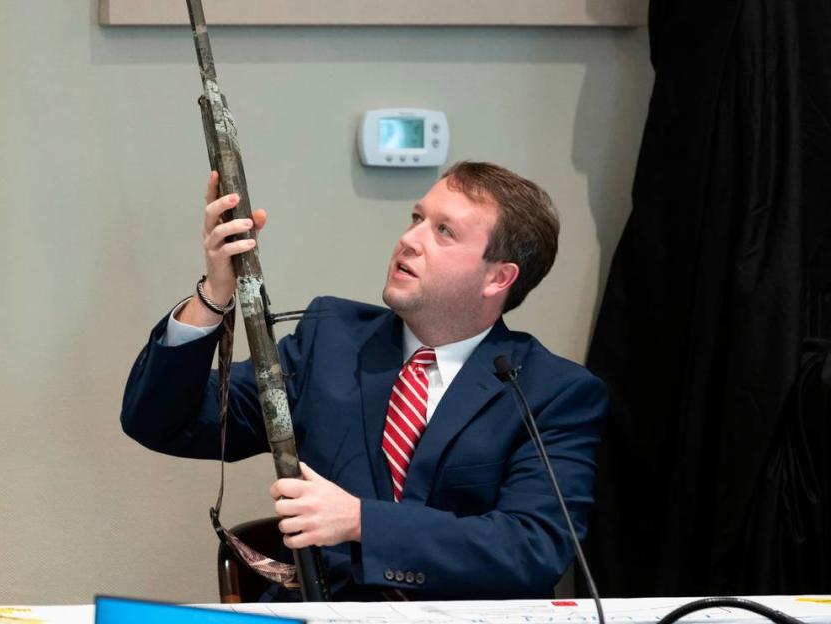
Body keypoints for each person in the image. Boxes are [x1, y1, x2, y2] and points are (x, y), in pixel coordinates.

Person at [121, 161, 607, 601]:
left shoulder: (552, 392)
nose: (410, 240)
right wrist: (214, 293)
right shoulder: (330, 341)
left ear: (499, 278)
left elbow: (532, 549)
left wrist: (361, 522)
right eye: (417, 218)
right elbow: (163, 421)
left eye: (444, 232)